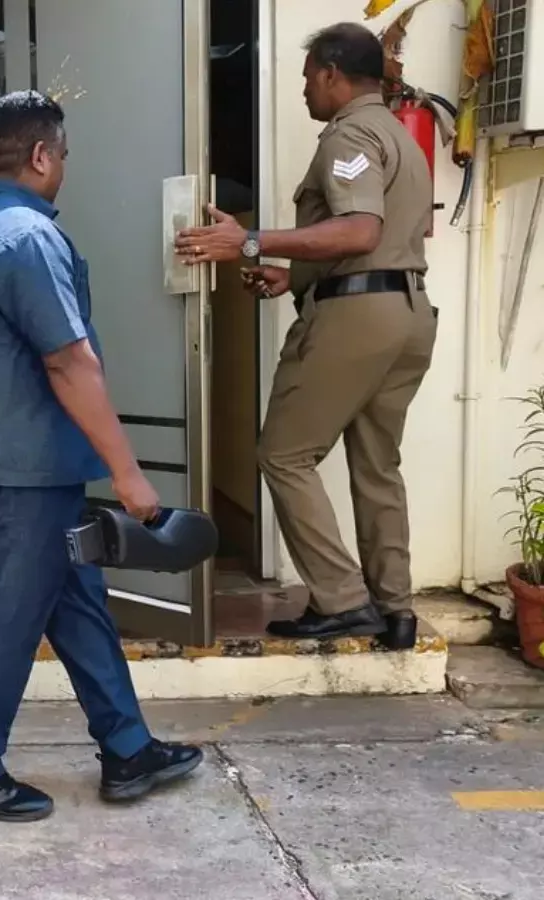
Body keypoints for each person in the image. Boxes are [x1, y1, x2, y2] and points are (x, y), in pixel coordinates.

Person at [0, 91, 203, 823]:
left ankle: (128, 747)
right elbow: (70, 361)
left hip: (24, 465)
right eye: (65, 155)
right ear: (42, 155)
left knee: (78, 604)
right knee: (3, 620)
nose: (65, 168)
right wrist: (129, 475)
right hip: (23, 475)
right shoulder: (27, 237)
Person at [175, 22, 436, 649]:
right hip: (406, 313)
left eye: (307, 78)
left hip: (357, 320)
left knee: (283, 455)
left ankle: (343, 601)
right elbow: (384, 244)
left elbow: (360, 231)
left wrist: (248, 240)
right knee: (377, 466)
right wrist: (293, 277)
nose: (304, 91)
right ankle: (395, 609)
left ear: (331, 73)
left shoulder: (350, 134)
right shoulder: (399, 136)